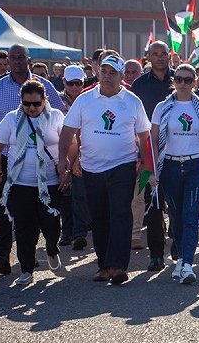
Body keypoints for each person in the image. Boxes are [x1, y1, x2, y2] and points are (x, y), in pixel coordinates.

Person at [58, 55, 152, 285]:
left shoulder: (132, 101)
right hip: (92, 166)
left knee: (120, 212)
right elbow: (68, 131)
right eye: (104, 71)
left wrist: (145, 163)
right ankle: (103, 265)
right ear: (98, 73)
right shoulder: (84, 100)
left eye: (113, 72)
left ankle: (118, 266)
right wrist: (63, 160)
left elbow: (144, 135)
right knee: (99, 216)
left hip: (123, 164)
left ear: (121, 76)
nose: (108, 76)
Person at [0, 44, 65, 276]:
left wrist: (66, 165)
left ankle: (49, 247)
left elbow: (63, 125)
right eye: (13, 57)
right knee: (10, 214)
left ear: (28, 60)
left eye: (22, 57)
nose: (18, 61)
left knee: (47, 219)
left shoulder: (46, 85)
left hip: (47, 169)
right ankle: (5, 258)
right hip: (10, 164)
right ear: (7, 60)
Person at [150, 64, 199, 284]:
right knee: (177, 217)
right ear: (174, 81)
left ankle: (188, 264)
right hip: (170, 167)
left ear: (194, 83)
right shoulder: (162, 108)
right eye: (179, 79)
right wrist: (151, 171)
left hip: (196, 167)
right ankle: (180, 260)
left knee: (191, 216)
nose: (183, 83)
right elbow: (152, 142)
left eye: (188, 80)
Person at [130, 41, 175, 272]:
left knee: (177, 202)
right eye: (154, 54)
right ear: (148, 57)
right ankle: (156, 254)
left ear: (170, 55)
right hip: (148, 153)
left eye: (163, 53)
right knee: (154, 204)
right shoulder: (138, 85)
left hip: (178, 152)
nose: (159, 58)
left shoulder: (181, 80)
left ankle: (177, 242)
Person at [56, 64, 90, 249]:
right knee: (64, 194)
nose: (75, 87)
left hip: (82, 153)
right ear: (64, 82)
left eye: (79, 83)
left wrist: (77, 158)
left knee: (79, 194)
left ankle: (78, 232)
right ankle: (66, 231)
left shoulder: (89, 100)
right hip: (59, 153)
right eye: (71, 83)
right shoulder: (56, 102)